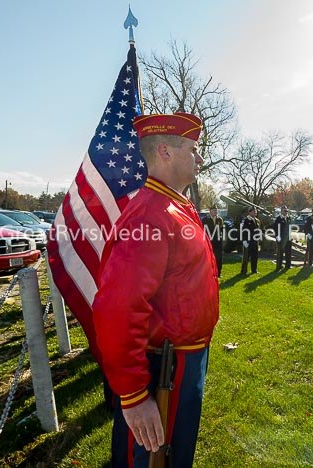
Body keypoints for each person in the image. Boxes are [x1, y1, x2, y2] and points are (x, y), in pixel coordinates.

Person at [92, 112, 219, 466]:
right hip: (165, 367)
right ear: (165, 151)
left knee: (177, 454)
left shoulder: (175, 205)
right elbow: (119, 308)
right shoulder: (150, 214)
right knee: (153, 458)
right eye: (193, 150)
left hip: (186, 359)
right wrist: (133, 395)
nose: (200, 158)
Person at [203, 205, 225, 276]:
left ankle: (218, 272)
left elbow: (222, 230)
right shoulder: (205, 219)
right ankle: (209, 273)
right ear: (210, 211)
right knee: (208, 258)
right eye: (214, 210)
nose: (215, 212)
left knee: (219, 257)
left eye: (216, 210)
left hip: (218, 241)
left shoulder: (219, 219)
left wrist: (222, 239)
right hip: (209, 241)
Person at [240, 207, 261, 274]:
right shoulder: (246, 220)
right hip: (248, 241)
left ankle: (254, 270)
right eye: (254, 211)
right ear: (249, 212)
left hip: (255, 241)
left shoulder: (257, 220)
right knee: (246, 257)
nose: (255, 213)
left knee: (255, 256)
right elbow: (243, 231)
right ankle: (244, 271)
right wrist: (244, 240)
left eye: (256, 212)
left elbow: (258, 231)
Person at [273, 206, 292, 270]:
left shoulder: (289, 218)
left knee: (288, 252)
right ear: (281, 211)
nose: (286, 212)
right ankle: (279, 266)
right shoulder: (278, 219)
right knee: (280, 253)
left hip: (287, 238)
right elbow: (275, 228)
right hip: (281, 238)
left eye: (286, 211)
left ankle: (288, 266)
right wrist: (277, 236)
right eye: (284, 211)